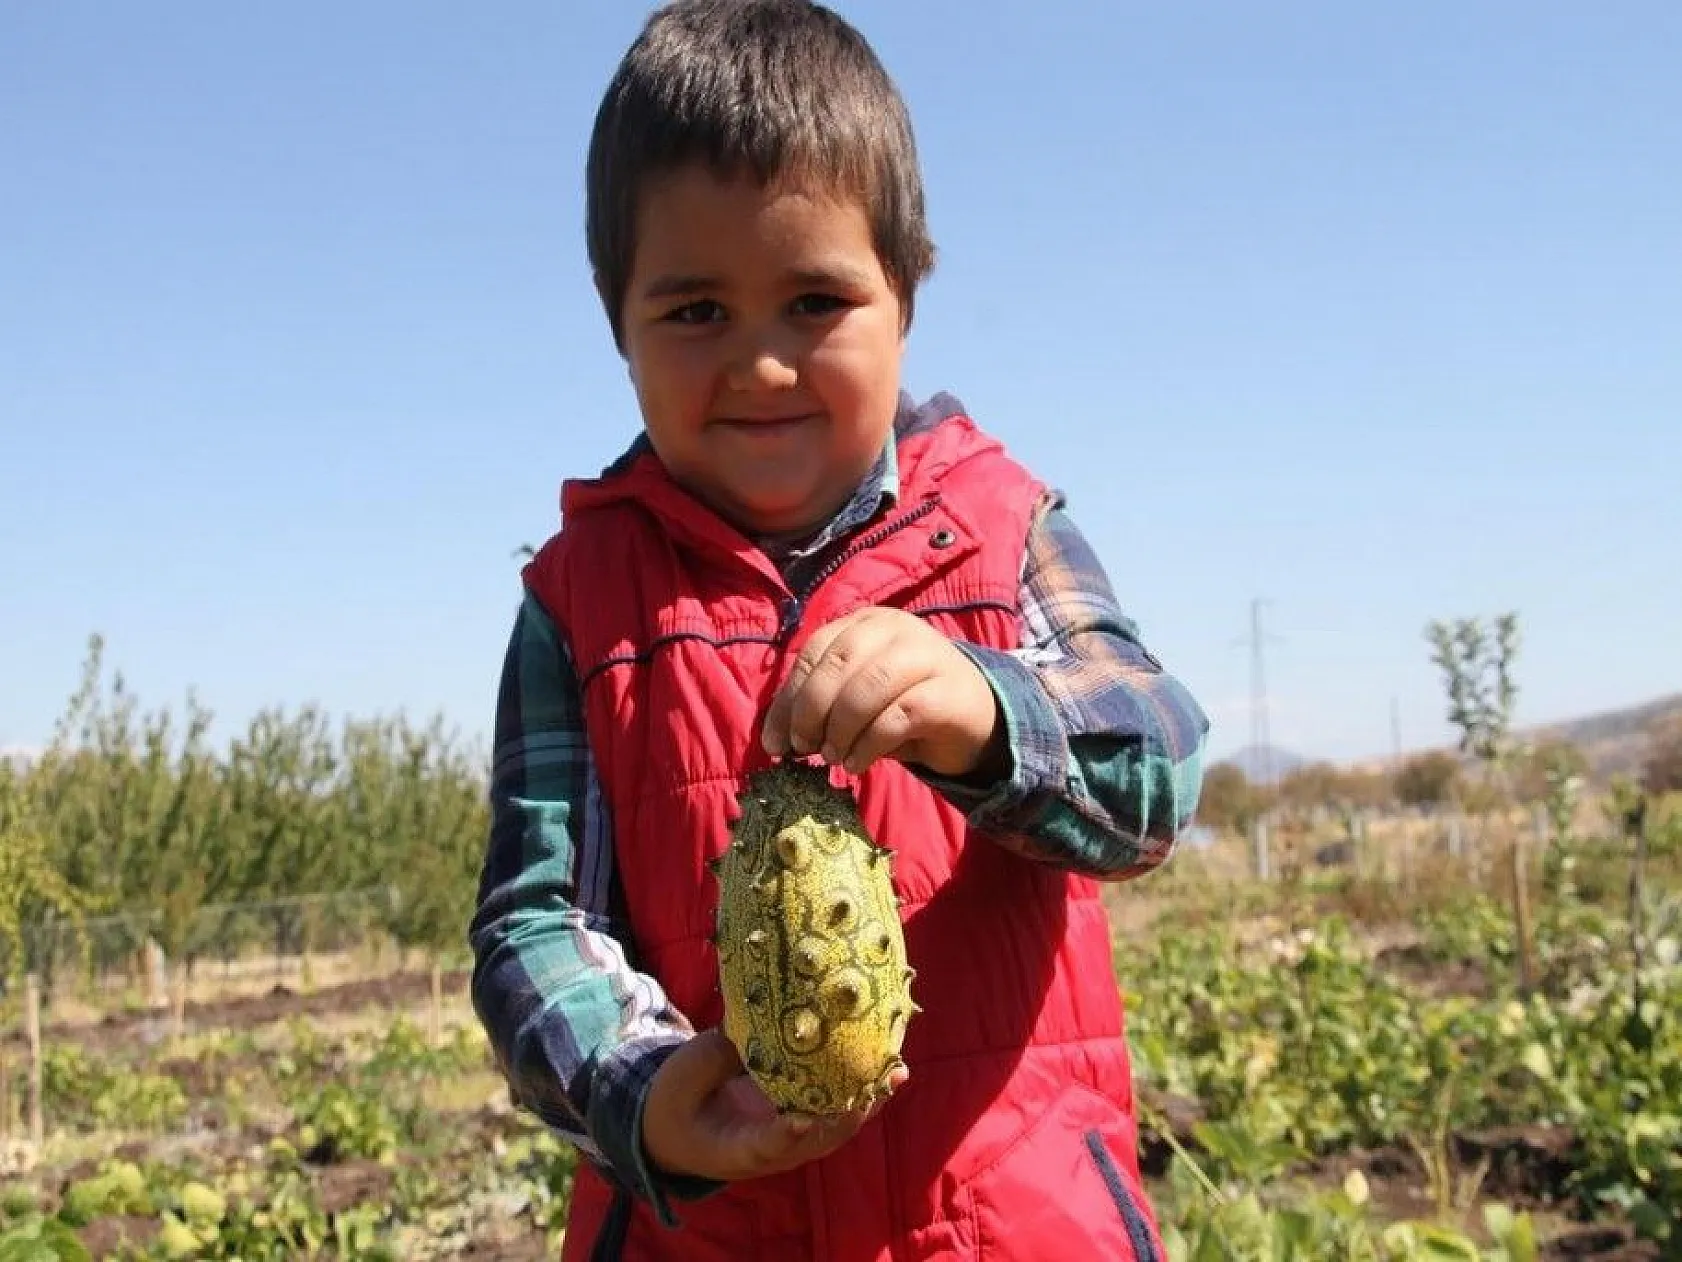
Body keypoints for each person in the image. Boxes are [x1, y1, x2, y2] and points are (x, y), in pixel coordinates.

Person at [468, 2, 1210, 1258]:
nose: (760, 364)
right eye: (695, 310)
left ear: (904, 295)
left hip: (1010, 1224)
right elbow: (536, 922)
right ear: (615, 318)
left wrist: (988, 713)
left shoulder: (996, 521)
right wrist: (638, 1086)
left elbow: (1157, 770)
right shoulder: (580, 600)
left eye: (815, 300)